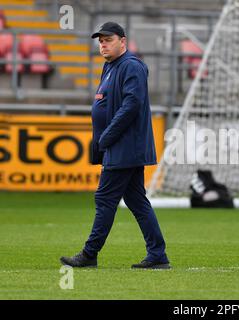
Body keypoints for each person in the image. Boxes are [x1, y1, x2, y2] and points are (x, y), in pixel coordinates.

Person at [60, 22, 170, 269]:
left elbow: (131, 105)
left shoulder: (131, 66)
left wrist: (106, 136)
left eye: (108, 40)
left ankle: (90, 253)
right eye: (100, 41)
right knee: (137, 201)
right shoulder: (111, 66)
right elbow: (107, 105)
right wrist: (100, 140)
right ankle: (158, 255)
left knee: (105, 198)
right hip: (118, 145)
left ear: (123, 41)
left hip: (125, 146)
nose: (103, 44)